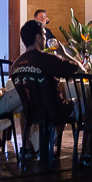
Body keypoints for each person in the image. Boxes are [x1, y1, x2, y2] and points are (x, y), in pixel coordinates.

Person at [10, 20, 77, 154]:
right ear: (38, 37)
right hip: (55, 110)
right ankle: (88, 154)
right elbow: (78, 70)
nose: (46, 38)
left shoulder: (15, 65)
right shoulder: (47, 59)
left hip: (30, 112)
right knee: (87, 102)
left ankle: (43, 146)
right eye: (44, 34)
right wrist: (64, 53)